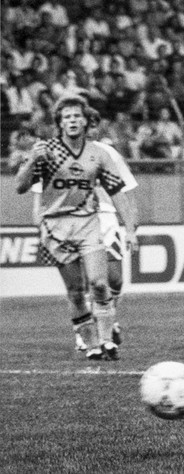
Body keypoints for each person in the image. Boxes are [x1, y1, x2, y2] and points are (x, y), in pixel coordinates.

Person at [14, 95, 138, 360]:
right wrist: (31, 161)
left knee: (100, 283)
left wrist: (130, 230)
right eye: (67, 116)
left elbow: (118, 192)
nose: (72, 121)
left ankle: (107, 341)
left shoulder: (99, 153)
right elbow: (20, 187)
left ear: (85, 120)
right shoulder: (47, 151)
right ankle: (90, 342)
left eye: (76, 116)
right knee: (75, 290)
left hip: (88, 222)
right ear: (60, 122)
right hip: (56, 226)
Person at [32, 138, 139, 353]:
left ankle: (105, 322)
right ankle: (88, 335)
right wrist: (41, 222)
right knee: (79, 285)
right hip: (68, 221)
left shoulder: (107, 152)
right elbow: (37, 192)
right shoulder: (52, 153)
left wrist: (131, 226)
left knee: (113, 279)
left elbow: (125, 187)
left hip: (106, 218)